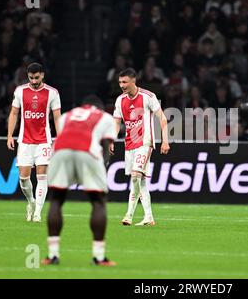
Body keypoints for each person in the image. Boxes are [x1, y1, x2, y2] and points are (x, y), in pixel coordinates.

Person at [41, 95, 116, 266]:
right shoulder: (105, 117)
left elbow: (61, 134)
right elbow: (105, 145)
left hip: (60, 150)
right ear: (99, 107)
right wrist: (102, 168)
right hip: (87, 150)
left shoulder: (68, 115)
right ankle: (99, 257)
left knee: (56, 200)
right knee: (98, 202)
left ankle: (52, 255)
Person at [111, 68, 170, 226]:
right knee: (141, 181)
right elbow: (117, 122)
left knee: (135, 176)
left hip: (145, 142)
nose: (122, 85)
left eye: (124, 82)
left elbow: (162, 119)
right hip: (129, 145)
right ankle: (149, 217)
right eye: (120, 82)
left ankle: (129, 215)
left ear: (133, 81)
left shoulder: (148, 96)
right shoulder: (119, 100)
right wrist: (111, 138)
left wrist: (165, 141)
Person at [7, 62, 61, 223]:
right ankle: (31, 201)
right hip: (25, 141)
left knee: (41, 176)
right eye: (31, 78)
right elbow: (14, 113)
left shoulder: (52, 93)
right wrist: (10, 135)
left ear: (42, 75)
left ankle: (37, 212)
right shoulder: (20, 91)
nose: (34, 81)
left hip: (44, 141)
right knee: (23, 178)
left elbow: (57, 117)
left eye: (37, 77)